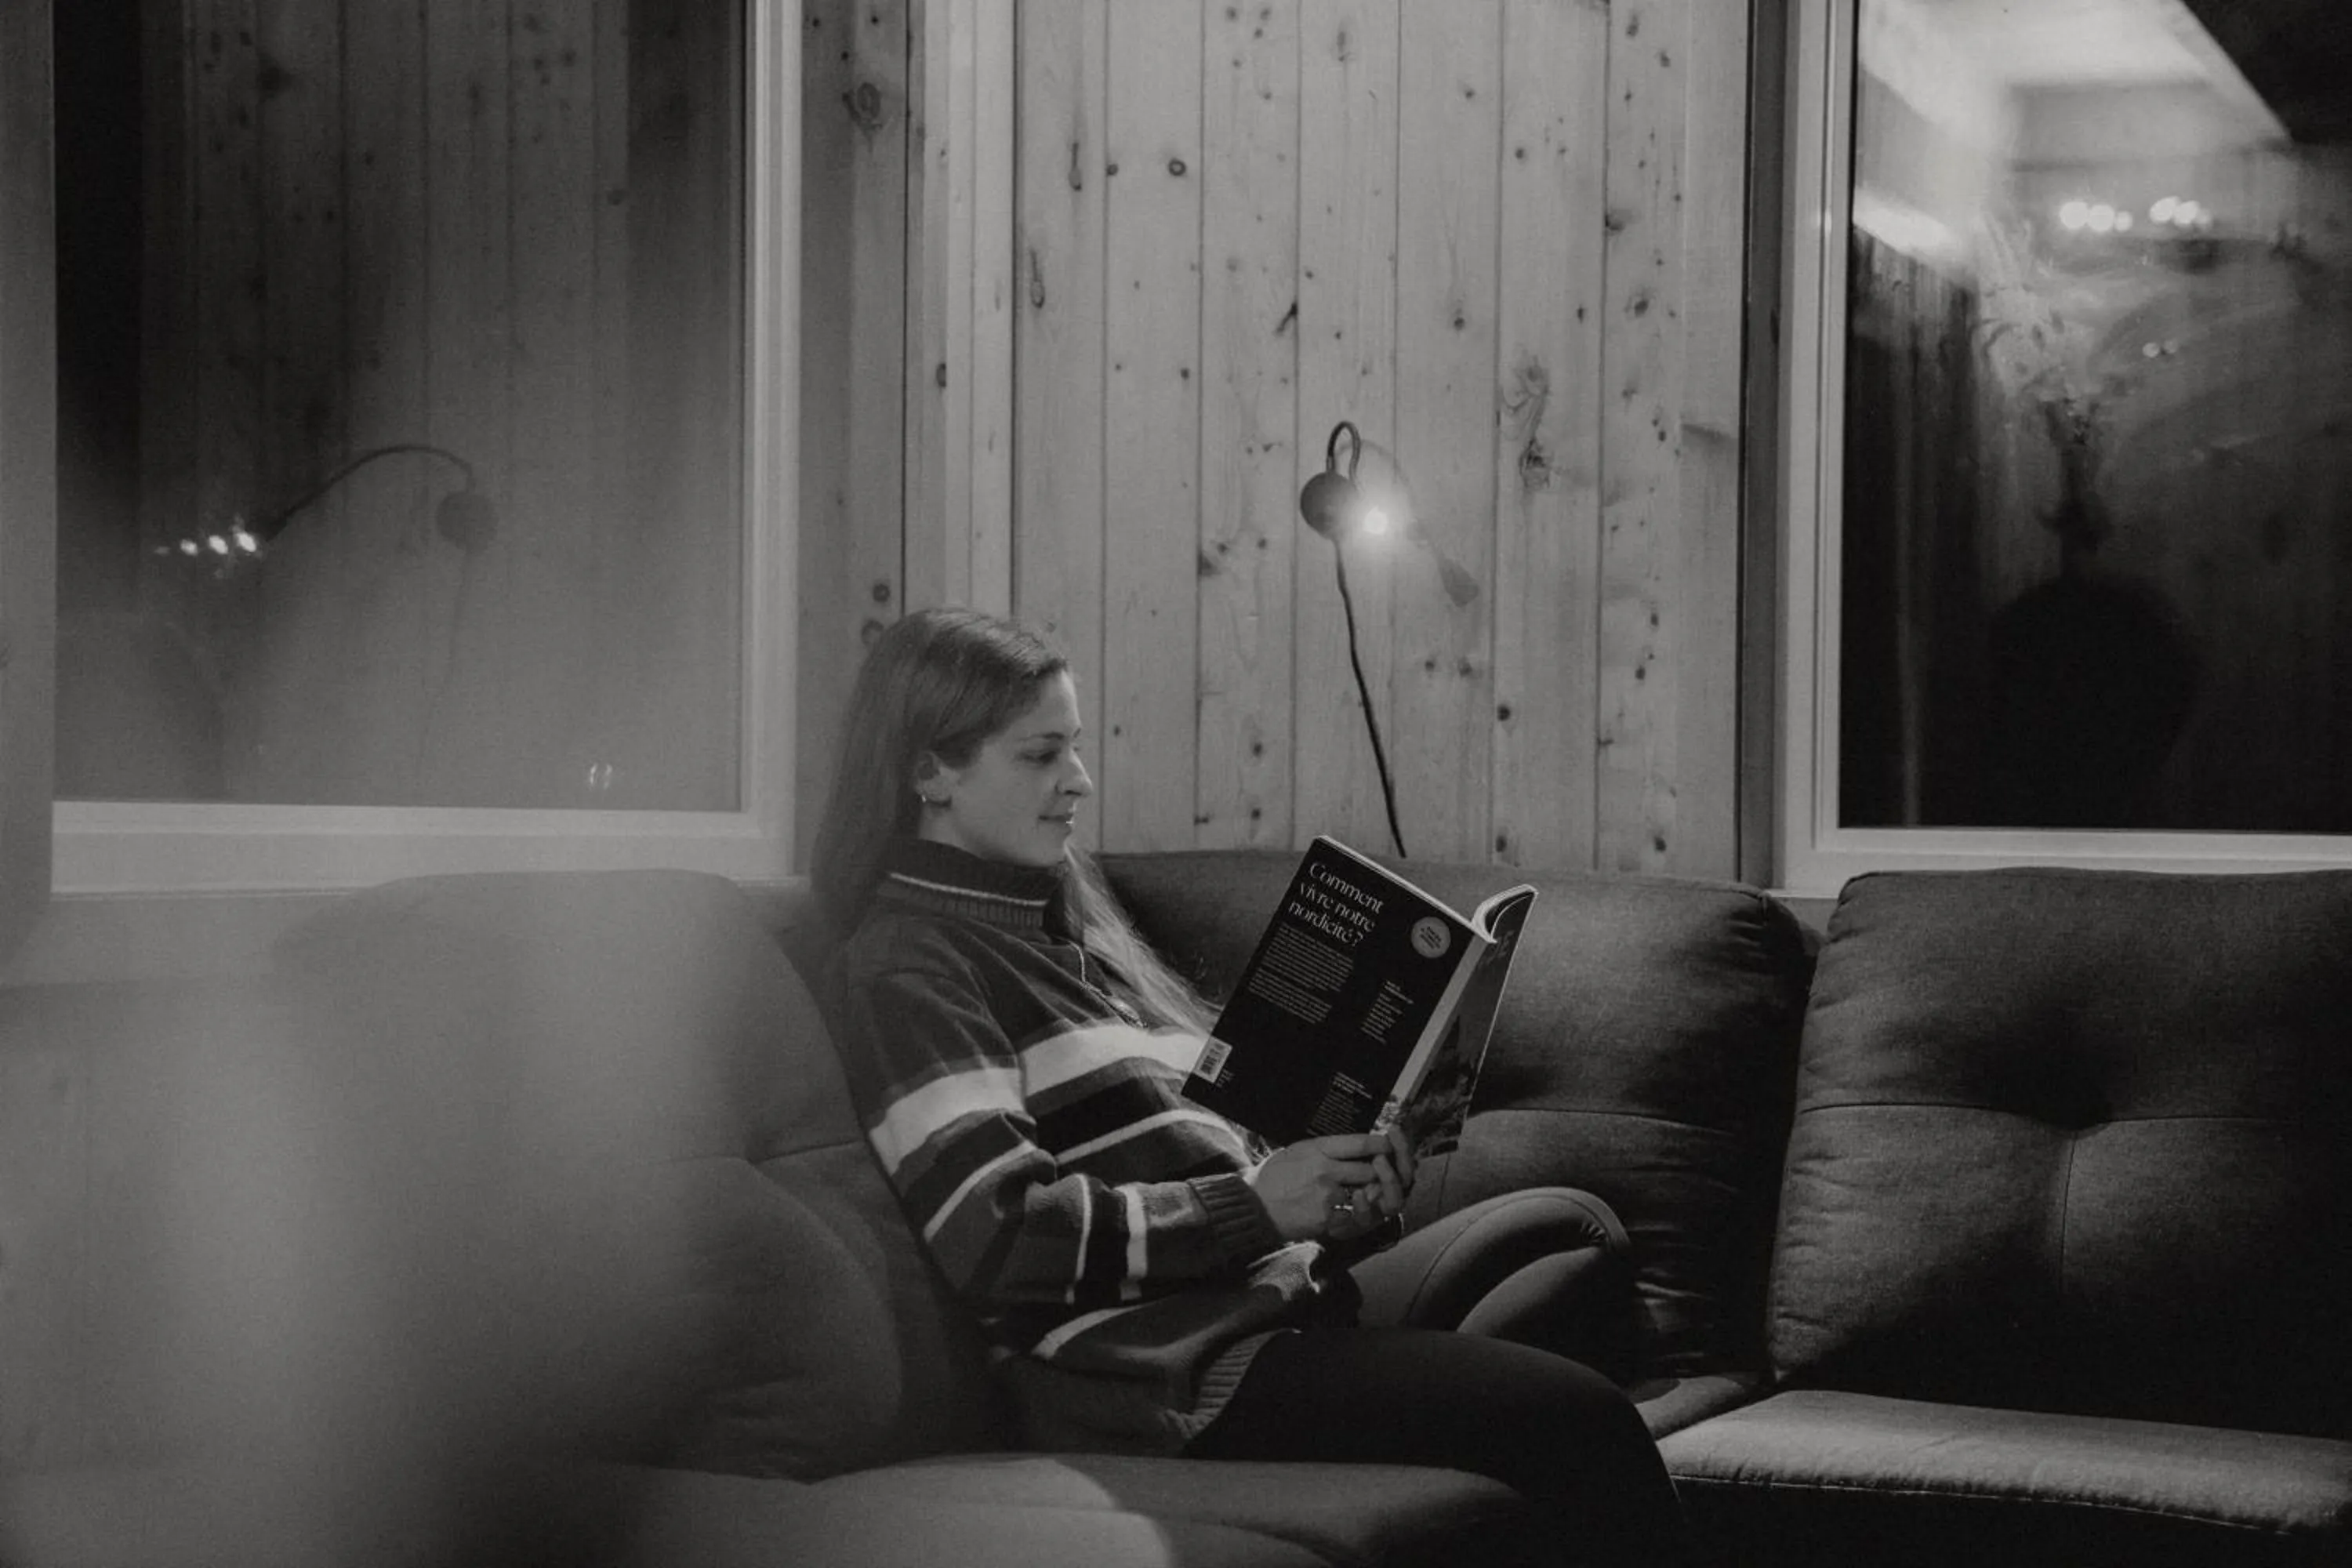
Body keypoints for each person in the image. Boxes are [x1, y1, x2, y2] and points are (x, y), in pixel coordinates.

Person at [812, 607, 1693, 1567]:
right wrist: (1256, 1209)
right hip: (1163, 1361)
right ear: (928, 771)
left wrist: (1340, 1196)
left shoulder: (1058, 926)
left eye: (1076, 748)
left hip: (1259, 1292)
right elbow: (999, 1232)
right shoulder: (910, 964)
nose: (1079, 781)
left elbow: (1208, 1164)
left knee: (1571, 1235)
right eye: (1040, 754)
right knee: (1583, 1420)